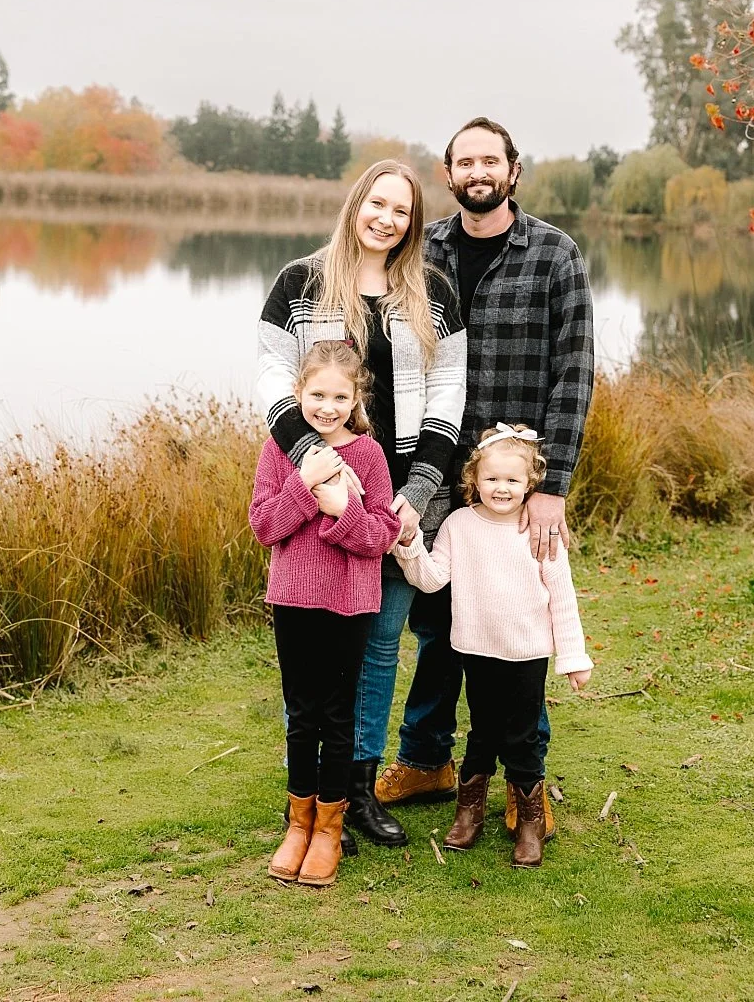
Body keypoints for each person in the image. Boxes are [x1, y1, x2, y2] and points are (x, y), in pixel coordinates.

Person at [374, 117, 595, 846]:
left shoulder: (555, 255)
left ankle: (523, 784)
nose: (477, 171)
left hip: (515, 476)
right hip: (435, 466)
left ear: (513, 169)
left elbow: (574, 375)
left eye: (489, 160)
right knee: (438, 623)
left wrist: (551, 484)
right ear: (447, 173)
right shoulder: (424, 250)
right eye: (464, 161)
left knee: (521, 624)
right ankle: (426, 759)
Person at [254, 158, 467, 850]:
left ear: (413, 224)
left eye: (402, 211)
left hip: (401, 496)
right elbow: (271, 381)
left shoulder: (433, 291)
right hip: (318, 496)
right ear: (356, 205)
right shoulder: (299, 283)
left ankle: (359, 792)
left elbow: (448, 395)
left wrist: (417, 494)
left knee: (379, 649)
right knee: (318, 656)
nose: (387, 218)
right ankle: (312, 794)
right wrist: (310, 460)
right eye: (378, 203)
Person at [392, 424, 592, 867]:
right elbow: (431, 579)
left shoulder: (537, 529)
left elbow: (561, 596)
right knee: (481, 733)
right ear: (473, 480)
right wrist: (409, 547)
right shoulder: (459, 525)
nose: (501, 488)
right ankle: (470, 811)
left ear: (530, 483)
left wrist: (574, 658)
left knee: (521, 738)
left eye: (512, 481)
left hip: (527, 653)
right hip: (477, 649)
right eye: (492, 479)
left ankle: (529, 821)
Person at [248, 341, 403, 887]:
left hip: (348, 602)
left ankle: (330, 830)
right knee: (300, 715)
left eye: (340, 396)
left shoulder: (369, 456)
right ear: (297, 394)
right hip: (293, 599)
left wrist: (344, 510)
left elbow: (382, 536)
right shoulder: (279, 451)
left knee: (338, 716)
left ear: (357, 397)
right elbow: (265, 525)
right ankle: (299, 823)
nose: (328, 406)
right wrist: (306, 483)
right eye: (317, 394)